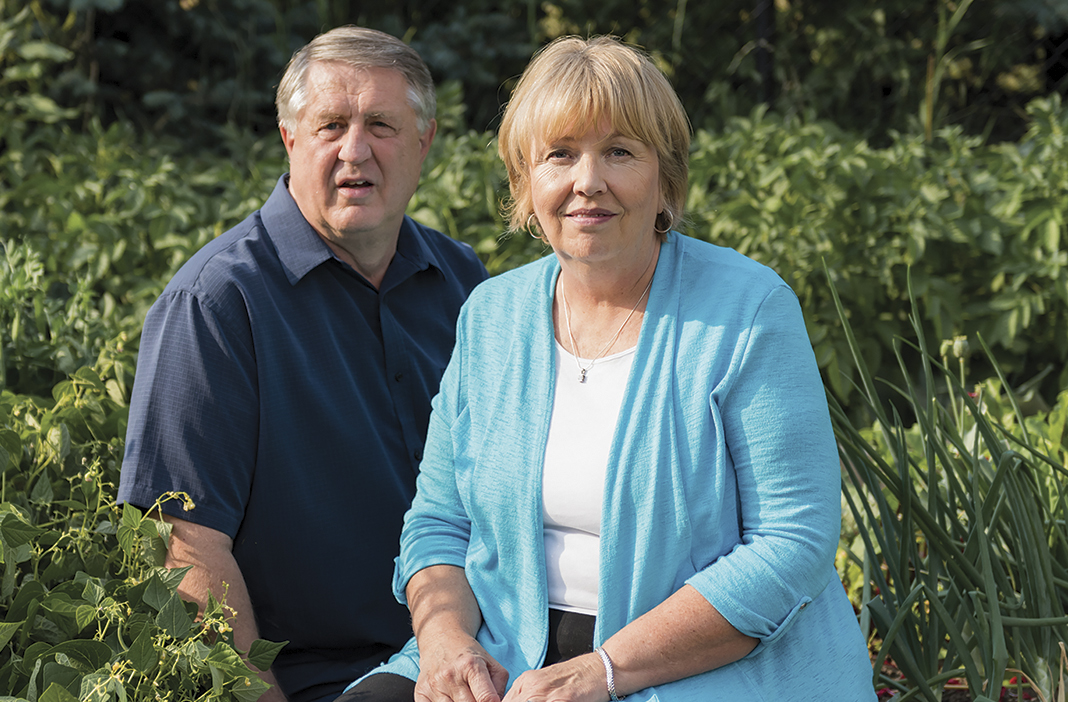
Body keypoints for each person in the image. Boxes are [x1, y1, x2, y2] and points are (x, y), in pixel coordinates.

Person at [340, 36, 876, 702]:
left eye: (619, 151)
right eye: (560, 154)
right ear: (526, 181)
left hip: (702, 664)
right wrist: (447, 644)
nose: (586, 181)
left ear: (664, 178)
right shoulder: (492, 316)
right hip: (509, 650)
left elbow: (791, 544)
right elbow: (439, 521)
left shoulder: (748, 311)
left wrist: (605, 670)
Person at [117, 26, 490, 702]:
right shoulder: (217, 303)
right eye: (330, 125)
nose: (356, 150)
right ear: (290, 138)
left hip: (481, 655)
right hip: (321, 680)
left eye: (381, 124)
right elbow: (188, 549)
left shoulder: (464, 283)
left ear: (423, 142)